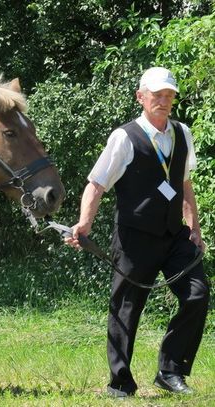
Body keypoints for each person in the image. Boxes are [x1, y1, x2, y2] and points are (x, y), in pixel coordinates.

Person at [65, 67, 210, 397]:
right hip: (134, 238)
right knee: (126, 309)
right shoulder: (125, 137)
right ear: (141, 97)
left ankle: (171, 371)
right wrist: (84, 223)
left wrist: (195, 229)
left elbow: (184, 186)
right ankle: (120, 383)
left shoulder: (182, 133)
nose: (163, 101)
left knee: (198, 295)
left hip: (176, 236)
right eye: (156, 95)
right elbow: (97, 184)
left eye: (169, 96)